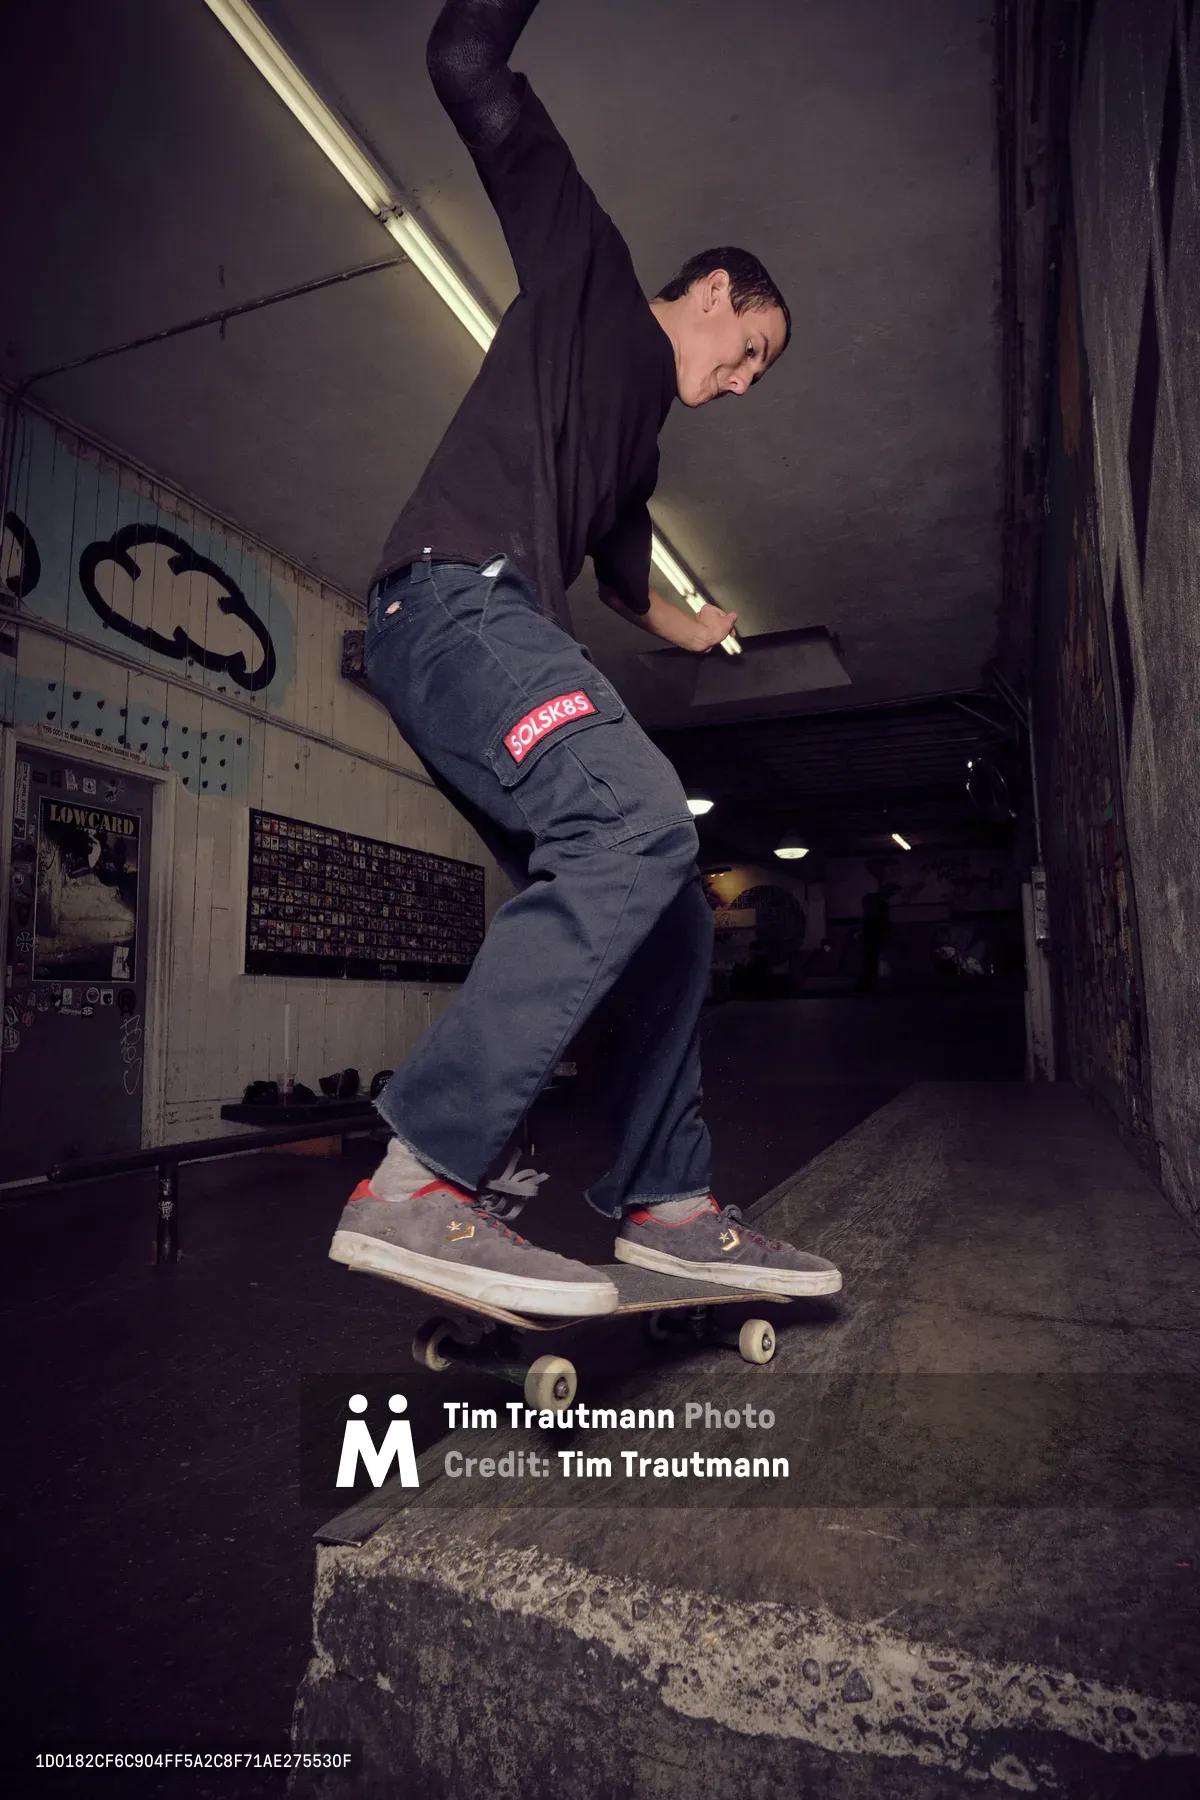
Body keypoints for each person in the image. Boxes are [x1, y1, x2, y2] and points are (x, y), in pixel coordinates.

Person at [329, 0, 841, 1314]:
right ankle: (421, 1178)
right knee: (635, 821)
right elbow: (464, 62)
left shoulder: (634, 446)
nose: (741, 381)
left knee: (665, 908)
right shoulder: (588, 264)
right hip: (451, 604)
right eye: (752, 353)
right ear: (717, 293)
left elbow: (624, 589)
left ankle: (669, 1204)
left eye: (758, 379)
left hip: (495, 637)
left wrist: (697, 627)